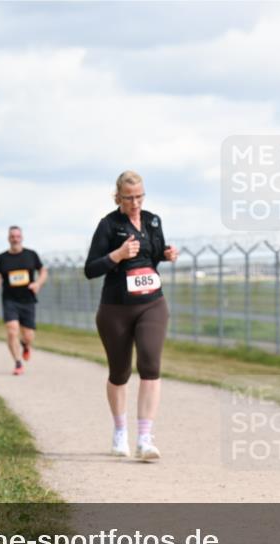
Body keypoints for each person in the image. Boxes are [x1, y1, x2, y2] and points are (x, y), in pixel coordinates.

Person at [84, 171, 179, 461]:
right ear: (118, 197)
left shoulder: (153, 220)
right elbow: (91, 269)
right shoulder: (108, 225)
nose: (135, 203)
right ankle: (120, 431)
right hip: (116, 309)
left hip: (152, 303)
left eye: (139, 196)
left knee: (150, 364)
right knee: (120, 372)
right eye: (129, 198)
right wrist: (118, 254)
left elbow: (153, 255)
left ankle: (145, 438)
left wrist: (167, 254)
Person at [0, 226, 47, 376]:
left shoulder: (31, 255)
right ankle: (18, 362)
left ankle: (26, 346)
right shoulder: (2, 258)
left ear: (22, 238)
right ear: (8, 238)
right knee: (12, 330)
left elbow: (43, 271)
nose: (15, 239)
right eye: (12, 236)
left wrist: (38, 283)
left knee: (28, 336)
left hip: (28, 300)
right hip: (10, 300)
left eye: (17, 236)